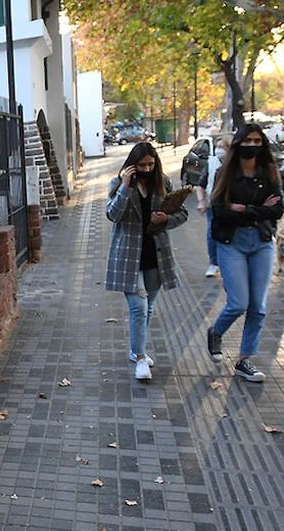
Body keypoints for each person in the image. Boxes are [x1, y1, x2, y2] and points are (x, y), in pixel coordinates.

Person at [206, 123, 284, 382]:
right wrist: (257, 208)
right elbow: (218, 211)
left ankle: (245, 360)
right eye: (247, 140)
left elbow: (277, 210)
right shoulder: (224, 174)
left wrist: (244, 209)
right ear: (239, 143)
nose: (252, 145)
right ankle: (216, 332)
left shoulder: (270, 174)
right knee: (238, 303)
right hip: (232, 243)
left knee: (258, 307)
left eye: (257, 140)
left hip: (262, 242)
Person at [106, 142, 188, 381]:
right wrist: (124, 187)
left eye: (151, 164)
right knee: (138, 308)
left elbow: (182, 214)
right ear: (132, 165)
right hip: (128, 256)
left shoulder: (163, 183)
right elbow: (112, 215)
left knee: (148, 307)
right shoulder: (119, 183)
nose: (147, 168)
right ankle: (141, 357)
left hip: (155, 254)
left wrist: (165, 220)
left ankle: (135, 349)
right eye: (141, 165)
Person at [194, 136, 230, 277]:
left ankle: (227, 262)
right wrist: (201, 201)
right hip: (212, 205)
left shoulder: (236, 165)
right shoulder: (212, 162)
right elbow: (201, 184)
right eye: (217, 146)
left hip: (231, 206)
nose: (219, 150)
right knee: (212, 233)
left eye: (223, 147)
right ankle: (214, 263)